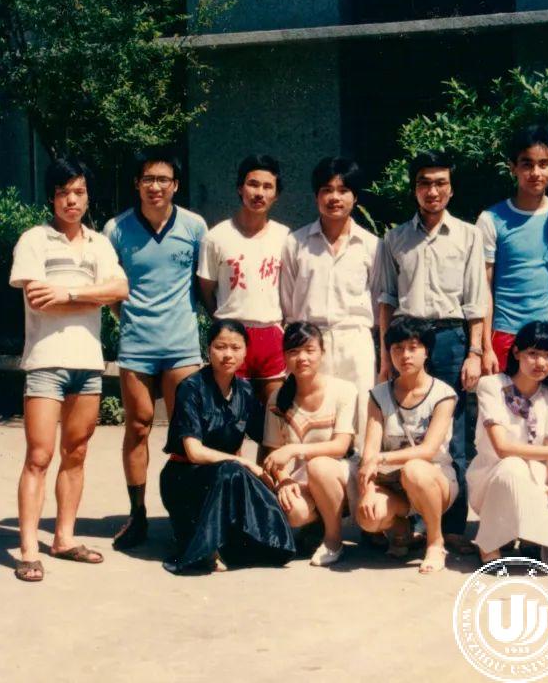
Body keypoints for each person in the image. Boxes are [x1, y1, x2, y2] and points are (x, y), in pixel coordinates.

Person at [10, 157, 129, 581]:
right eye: (63, 193)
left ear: (88, 197)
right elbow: (38, 299)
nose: (71, 200)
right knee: (39, 456)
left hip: (88, 363)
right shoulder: (34, 240)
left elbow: (120, 288)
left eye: (79, 192)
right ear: (52, 197)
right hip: (46, 361)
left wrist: (69, 293)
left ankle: (63, 538)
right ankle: (28, 549)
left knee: (76, 453)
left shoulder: (100, 244)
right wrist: (92, 295)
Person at [373, 149, 488, 549]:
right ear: (414, 189)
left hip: (452, 338)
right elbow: (386, 299)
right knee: (407, 427)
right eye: (424, 183)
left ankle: (452, 527)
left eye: (440, 183)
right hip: (407, 339)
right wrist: (385, 356)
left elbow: (476, 300)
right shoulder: (394, 239)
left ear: (451, 189)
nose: (433, 191)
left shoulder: (469, 235)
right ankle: (410, 520)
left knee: (455, 434)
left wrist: (475, 352)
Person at [103, 147, 208, 550]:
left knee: (185, 434)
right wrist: (130, 319)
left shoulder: (194, 227)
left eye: (163, 179)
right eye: (148, 179)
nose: (155, 187)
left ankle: (185, 517)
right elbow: (112, 290)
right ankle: (137, 514)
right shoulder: (117, 229)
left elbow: (203, 283)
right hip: (136, 346)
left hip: (182, 346)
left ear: (175, 185)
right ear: (137, 183)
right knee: (138, 426)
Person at [159, 319, 296, 575]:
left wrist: (282, 475)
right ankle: (204, 548)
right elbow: (194, 452)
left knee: (270, 539)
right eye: (220, 347)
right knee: (232, 471)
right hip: (185, 478)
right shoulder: (191, 388)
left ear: (245, 352)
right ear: (208, 349)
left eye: (235, 347)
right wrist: (243, 461)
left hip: (227, 479)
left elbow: (268, 438)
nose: (228, 354)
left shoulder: (245, 391)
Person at [280, 157, 379, 453]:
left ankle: (360, 475)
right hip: (310, 342)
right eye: (327, 190)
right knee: (313, 411)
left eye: (343, 190)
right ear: (316, 196)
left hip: (354, 339)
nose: (335, 197)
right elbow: (288, 299)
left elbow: (377, 298)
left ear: (355, 197)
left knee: (360, 410)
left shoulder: (371, 245)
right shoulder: (296, 243)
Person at [466, 321, 548, 569]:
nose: (541, 362)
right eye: (533, 353)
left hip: (536, 479)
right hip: (492, 476)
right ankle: (489, 543)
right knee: (512, 466)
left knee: (545, 485)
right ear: (516, 352)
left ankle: (526, 535)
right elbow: (502, 447)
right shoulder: (492, 385)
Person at [356, 316, 458, 575]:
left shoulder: (443, 394)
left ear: (427, 351)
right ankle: (402, 531)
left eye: (413, 348)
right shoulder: (379, 395)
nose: (405, 355)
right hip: (393, 481)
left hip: (434, 479)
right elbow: (369, 451)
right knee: (368, 517)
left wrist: (381, 459)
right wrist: (368, 490)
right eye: (397, 348)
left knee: (414, 468)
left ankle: (435, 542)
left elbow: (428, 450)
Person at [477, 124, 548, 373]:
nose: (535, 172)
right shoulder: (490, 219)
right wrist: (485, 347)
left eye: (543, 164)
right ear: (513, 167)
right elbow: (483, 288)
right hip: (505, 335)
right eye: (527, 164)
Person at [261, 322, 357, 567]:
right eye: (293, 352)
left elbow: (340, 446)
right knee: (294, 511)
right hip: (304, 478)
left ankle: (333, 540)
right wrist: (284, 479)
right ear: (284, 357)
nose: (302, 358)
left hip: (342, 474)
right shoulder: (278, 398)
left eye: (309, 350)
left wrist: (294, 449)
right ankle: (318, 524)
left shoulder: (344, 390)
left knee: (319, 466)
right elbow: (273, 452)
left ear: (322, 353)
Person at [198, 155, 291, 408]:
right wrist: (224, 323)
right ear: (240, 188)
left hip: (271, 334)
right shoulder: (216, 237)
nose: (259, 193)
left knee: (274, 416)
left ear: (276, 195)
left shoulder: (285, 237)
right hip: (232, 335)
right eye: (253, 184)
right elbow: (205, 289)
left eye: (267, 186)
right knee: (228, 416)